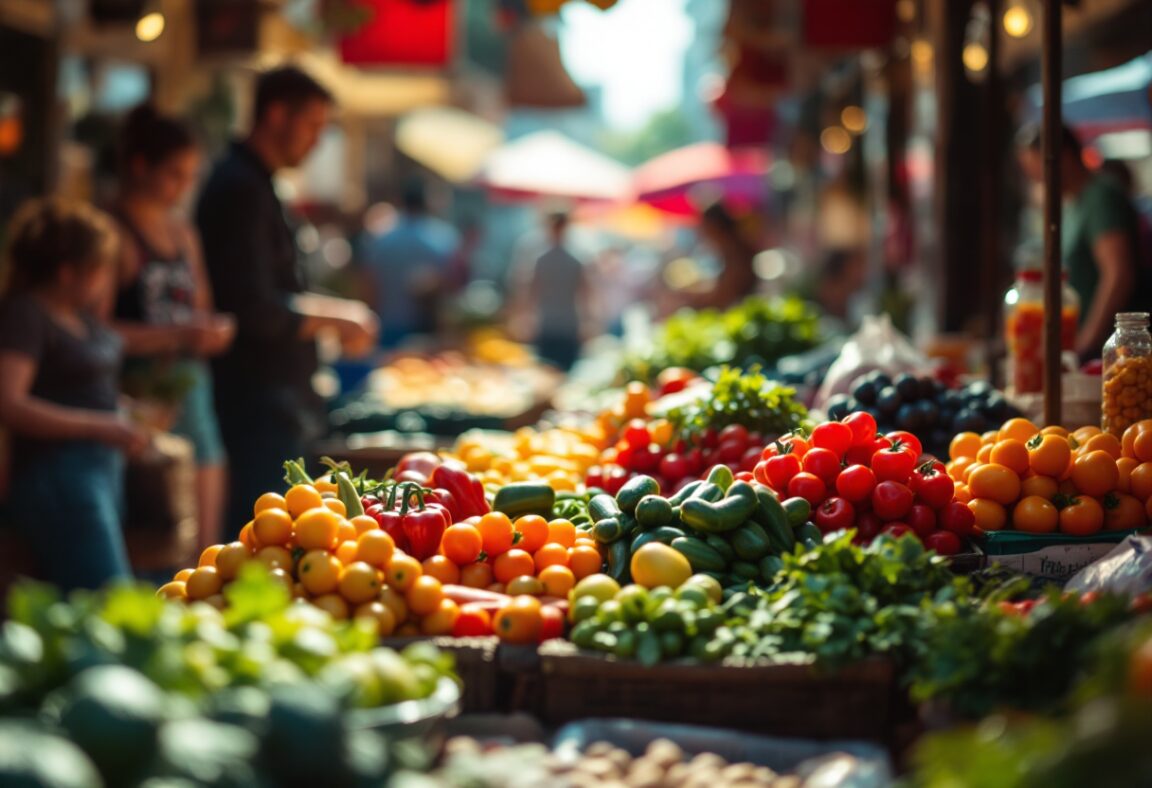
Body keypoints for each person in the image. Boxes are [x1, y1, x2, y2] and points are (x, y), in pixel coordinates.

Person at [196, 66, 377, 536]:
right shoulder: (240, 188)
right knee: (264, 542)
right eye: (313, 126)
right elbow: (254, 308)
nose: (317, 141)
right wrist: (338, 316)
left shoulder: (259, 185)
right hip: (256, 403)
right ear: (277, 115)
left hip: (274, 400)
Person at [0, 198, 148, 590]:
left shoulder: (79, 316)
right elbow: (10, 403)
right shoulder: (27, 315)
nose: (106, 281)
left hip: (100, 473)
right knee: (108, 597)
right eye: (100, 269)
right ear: (68, 272)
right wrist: (99, 425)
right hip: (59, 477)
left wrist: (123, 414)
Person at [109, 104, 235, 551]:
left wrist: (211, 331)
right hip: (136, 396)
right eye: (174, 174)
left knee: (203, 537)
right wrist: (178, 335)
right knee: (153, 533)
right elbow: (97, 331)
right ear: (141, 166)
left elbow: (202, 307)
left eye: (190, 176)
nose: (182, 188)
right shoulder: (112, 234)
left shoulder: (183, 234)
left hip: (191, 389)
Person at [1018, 125, 1148, 359]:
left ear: (1063, 157)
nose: (1036, 178)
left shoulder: (1101, 197)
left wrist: (1087, 341)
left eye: (1037, 168)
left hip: (1114, 351)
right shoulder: (1072, 204)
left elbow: (1118, 274)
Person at [360, 178, 459, 347]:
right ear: (428, 202)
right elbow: (452, 283)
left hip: (386, 325)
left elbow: (369, 284)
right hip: (427, 330)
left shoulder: (381, 239)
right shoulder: (443, 239)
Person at [511, 211, 589, 371]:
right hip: (560, 323)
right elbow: (585, 293)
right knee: (560, 371)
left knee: (547, 370)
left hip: (554, 324)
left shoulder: (542, 260)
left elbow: (529, 292)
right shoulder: (575, 260)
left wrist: (521, 316)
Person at [695, 201, 759, 309]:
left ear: (716, 227)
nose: (703, 233)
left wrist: (694, 300)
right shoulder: (734, 249)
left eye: (706, 227)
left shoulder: (736, 253)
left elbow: (726, 295)